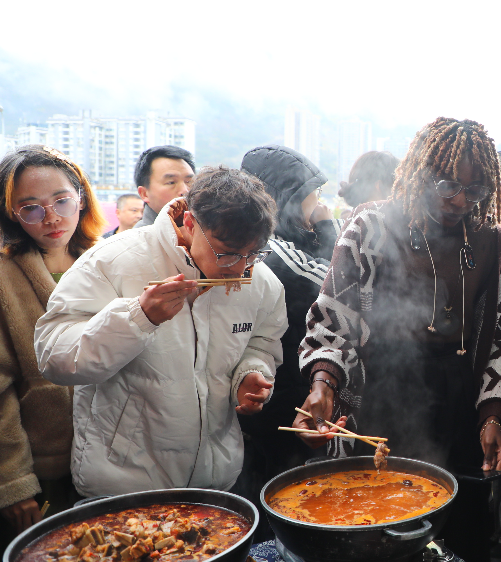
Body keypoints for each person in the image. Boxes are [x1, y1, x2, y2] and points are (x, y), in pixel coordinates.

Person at [294, 117, 501, 562]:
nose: (460, 201)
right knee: (372, 524)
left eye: (474, 191)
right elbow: (332, 319)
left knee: (460, 529)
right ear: (421, 173)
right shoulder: (371, 226)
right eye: (448, 186)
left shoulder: (489, 239)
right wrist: (323, 385)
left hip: (458, 401)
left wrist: (493, 415)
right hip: (378, 393)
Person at [35, 166, 287, 498]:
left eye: (253, 253)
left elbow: (263, 342)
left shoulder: (262, 281)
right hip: (124, 484)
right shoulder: (112, 261)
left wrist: (251, 372)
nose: (240, 268)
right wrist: (137, 318)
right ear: (191, 223)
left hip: (216, 480)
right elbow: (53, 357)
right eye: (226, 254)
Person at [0, 146, 105, 547]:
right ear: (12, 214)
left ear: (81, 197)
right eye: (31, 208)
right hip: (45, 465)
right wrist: (13, 481)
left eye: (61, 200)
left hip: (113, 456)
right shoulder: (5, 275)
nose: (52, 217)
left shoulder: (107, 259)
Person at [236, 144, 341, 533]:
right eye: (312, 194)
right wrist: (328, 227)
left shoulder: (289, 239)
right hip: (274, 400)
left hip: (286, 392)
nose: (319, 203)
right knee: (280, 507)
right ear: (286, 198)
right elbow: (333, 283)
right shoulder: (269, 247)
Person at [132, 145, 196, 229]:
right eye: (171, 182)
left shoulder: (202, 231)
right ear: (144, 194)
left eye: (189, 182)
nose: (185, 190)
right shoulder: (141, 236)